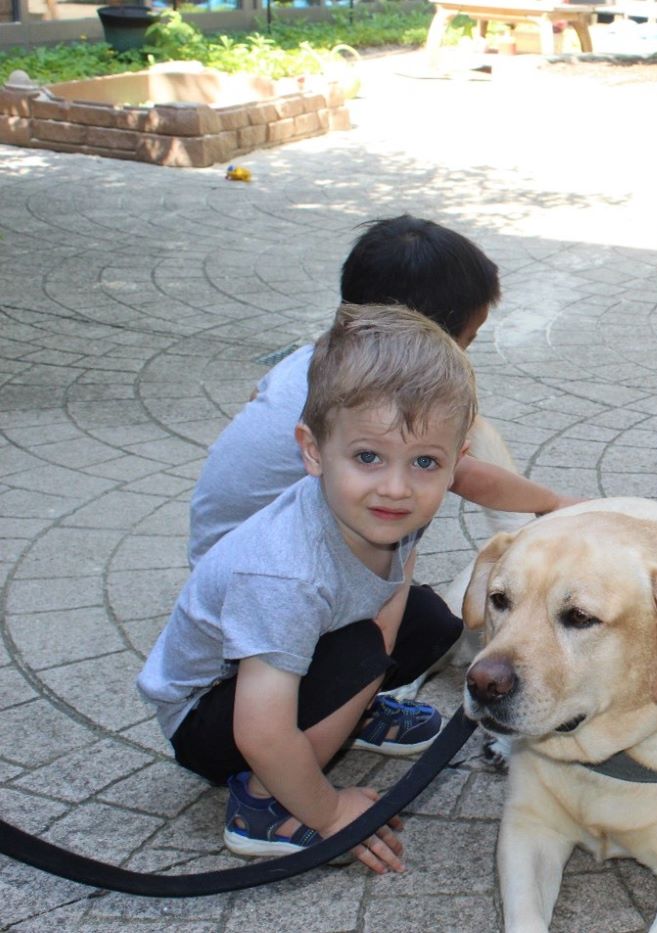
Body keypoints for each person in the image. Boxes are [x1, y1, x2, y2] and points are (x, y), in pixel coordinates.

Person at [138, 303, 477, 872]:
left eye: (424, 462)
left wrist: (369, 675)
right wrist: (330, 810)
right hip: (212, 716)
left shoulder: (390, 506)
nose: (396, 487)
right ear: (313, 450)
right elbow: (261, 731)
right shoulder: (282, 572)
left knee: (430, 622)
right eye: (367, 456)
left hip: (293, 652)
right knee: (360, 652)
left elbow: (396, 583)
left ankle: (350, 713)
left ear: (454, 462)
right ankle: (264, 804)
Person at [187, 214, 575, 567]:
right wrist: (555, 504)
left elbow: (257, 398)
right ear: (418, 339)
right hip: (261, 579)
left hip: (216, 552)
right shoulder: (383, 396)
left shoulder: (318, 360)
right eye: (465, 341)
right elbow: (469, 477)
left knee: (431, 622)